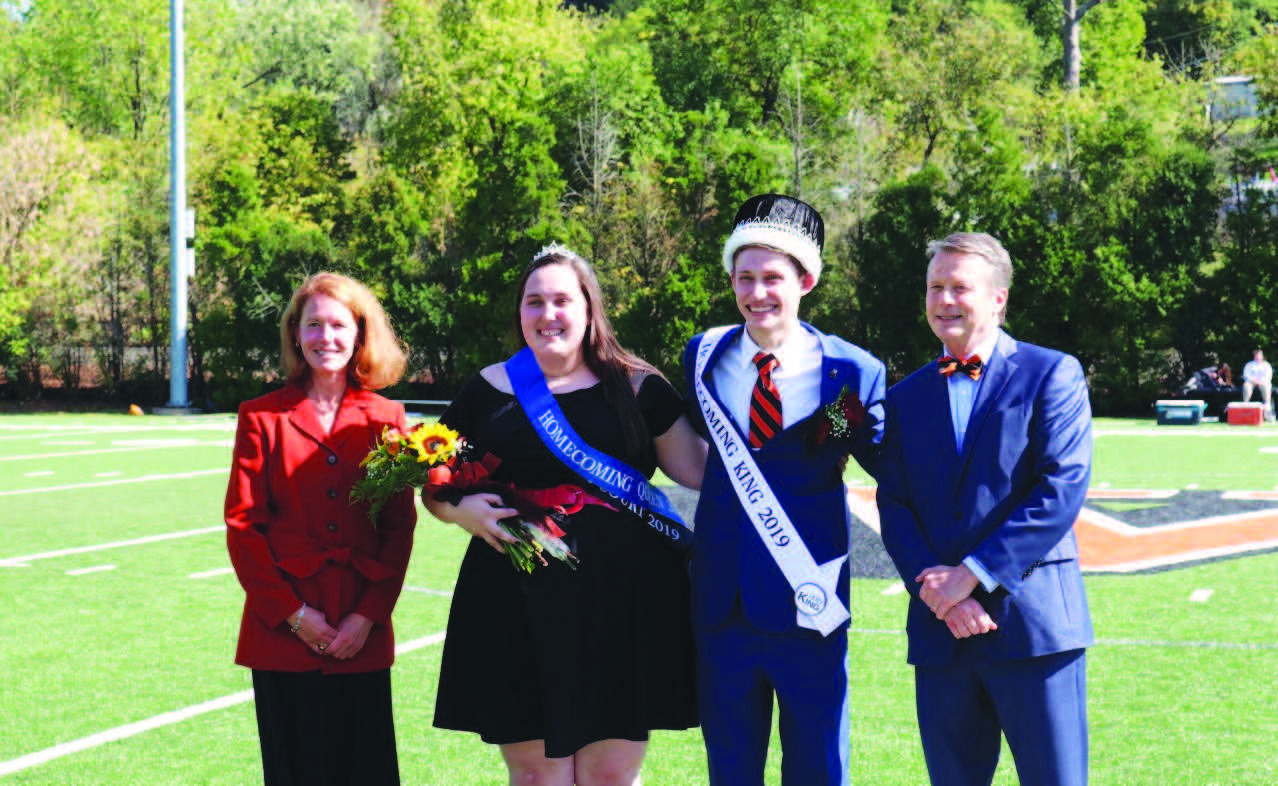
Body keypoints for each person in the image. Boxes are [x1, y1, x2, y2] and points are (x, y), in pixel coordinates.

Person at [426, 244, 707, 786]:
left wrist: (808, 439)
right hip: (515, 600)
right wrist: (461, 513)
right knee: (536, 777)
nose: (548, 314)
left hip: (623, 600)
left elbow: (700, 470)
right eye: (534, 302)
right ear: (520, 313)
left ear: (588, 308)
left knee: (610, 776)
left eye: (561, 300)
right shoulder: (488, 389)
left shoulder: (638, 386)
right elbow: (435, 486)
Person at [877, 232, 1094, 785]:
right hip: (941, 635)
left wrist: (971, 578)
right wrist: (942, 596)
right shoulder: (904, 396)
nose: (944, 300)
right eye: (935, 287)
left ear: (998, 297)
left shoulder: (1053, 373)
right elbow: (895, 502)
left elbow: (1060, 489)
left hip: (1033, 627)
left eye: (959, 287)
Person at [682, 193, 885, 785]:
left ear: (807, 281)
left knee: (819, 766)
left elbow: (866, 455)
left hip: (809, 600)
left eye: (773, 277)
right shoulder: (704, 355)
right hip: (723, 608)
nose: (757, 292)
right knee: (731, 768)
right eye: (745, 277)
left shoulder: (849, 372)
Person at [225, 272, 417, 786]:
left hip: (360, 634)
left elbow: (399, 528)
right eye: (313, 325)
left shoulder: (387, 417)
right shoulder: (260, 417)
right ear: (295, 334)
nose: (325, 338)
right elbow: (243, 527)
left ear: (359, 334)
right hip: (282, 637)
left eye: (338, 325)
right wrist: (293, 615)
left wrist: (367, 617)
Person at [1241, 349, 1273, 420]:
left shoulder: (1267, 365)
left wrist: (1260, 382)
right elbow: (1246, 376)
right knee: (1246, 385)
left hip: (1263, 383)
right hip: (1251, 382)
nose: (1258, 357)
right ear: (1254, 356)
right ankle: (1245, 405)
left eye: (1259, 355)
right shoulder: (1249, 365)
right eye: (1256, 355)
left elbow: (1268, 377)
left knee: (1266, 386)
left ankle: (1267, 408)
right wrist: (1254, 381)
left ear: (1262, 356)